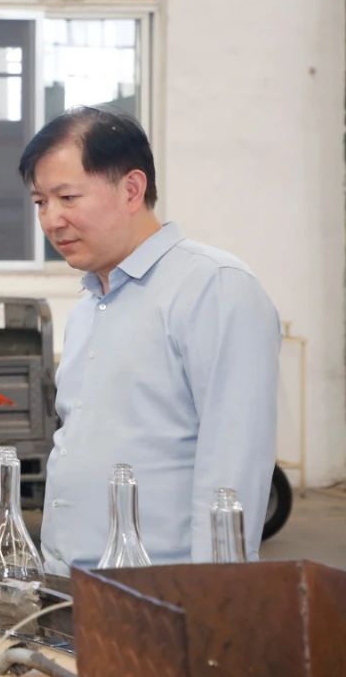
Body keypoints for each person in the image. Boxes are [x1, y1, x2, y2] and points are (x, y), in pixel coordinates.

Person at [19, 107, 280, 570]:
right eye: (40, 202)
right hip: (72, 584)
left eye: (67, 197)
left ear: (131, 189)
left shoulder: (213, 288)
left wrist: (217, 597)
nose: (52, 219)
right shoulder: (89, 309)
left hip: (163, 591)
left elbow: (233, 469)